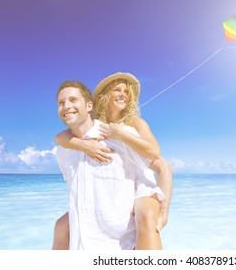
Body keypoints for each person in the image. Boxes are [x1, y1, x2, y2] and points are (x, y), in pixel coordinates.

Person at [53, 73, 172, 249]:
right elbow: (61, 137)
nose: (123, 94)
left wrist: (164, 210)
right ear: (104, 96)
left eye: (126, 91)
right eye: (117, 89)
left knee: (147, 218)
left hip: (142, 183)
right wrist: (83, 145)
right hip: (121, 181)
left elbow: (158, 158)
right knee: (61, 226)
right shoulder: (97, 126)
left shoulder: (134, 124)